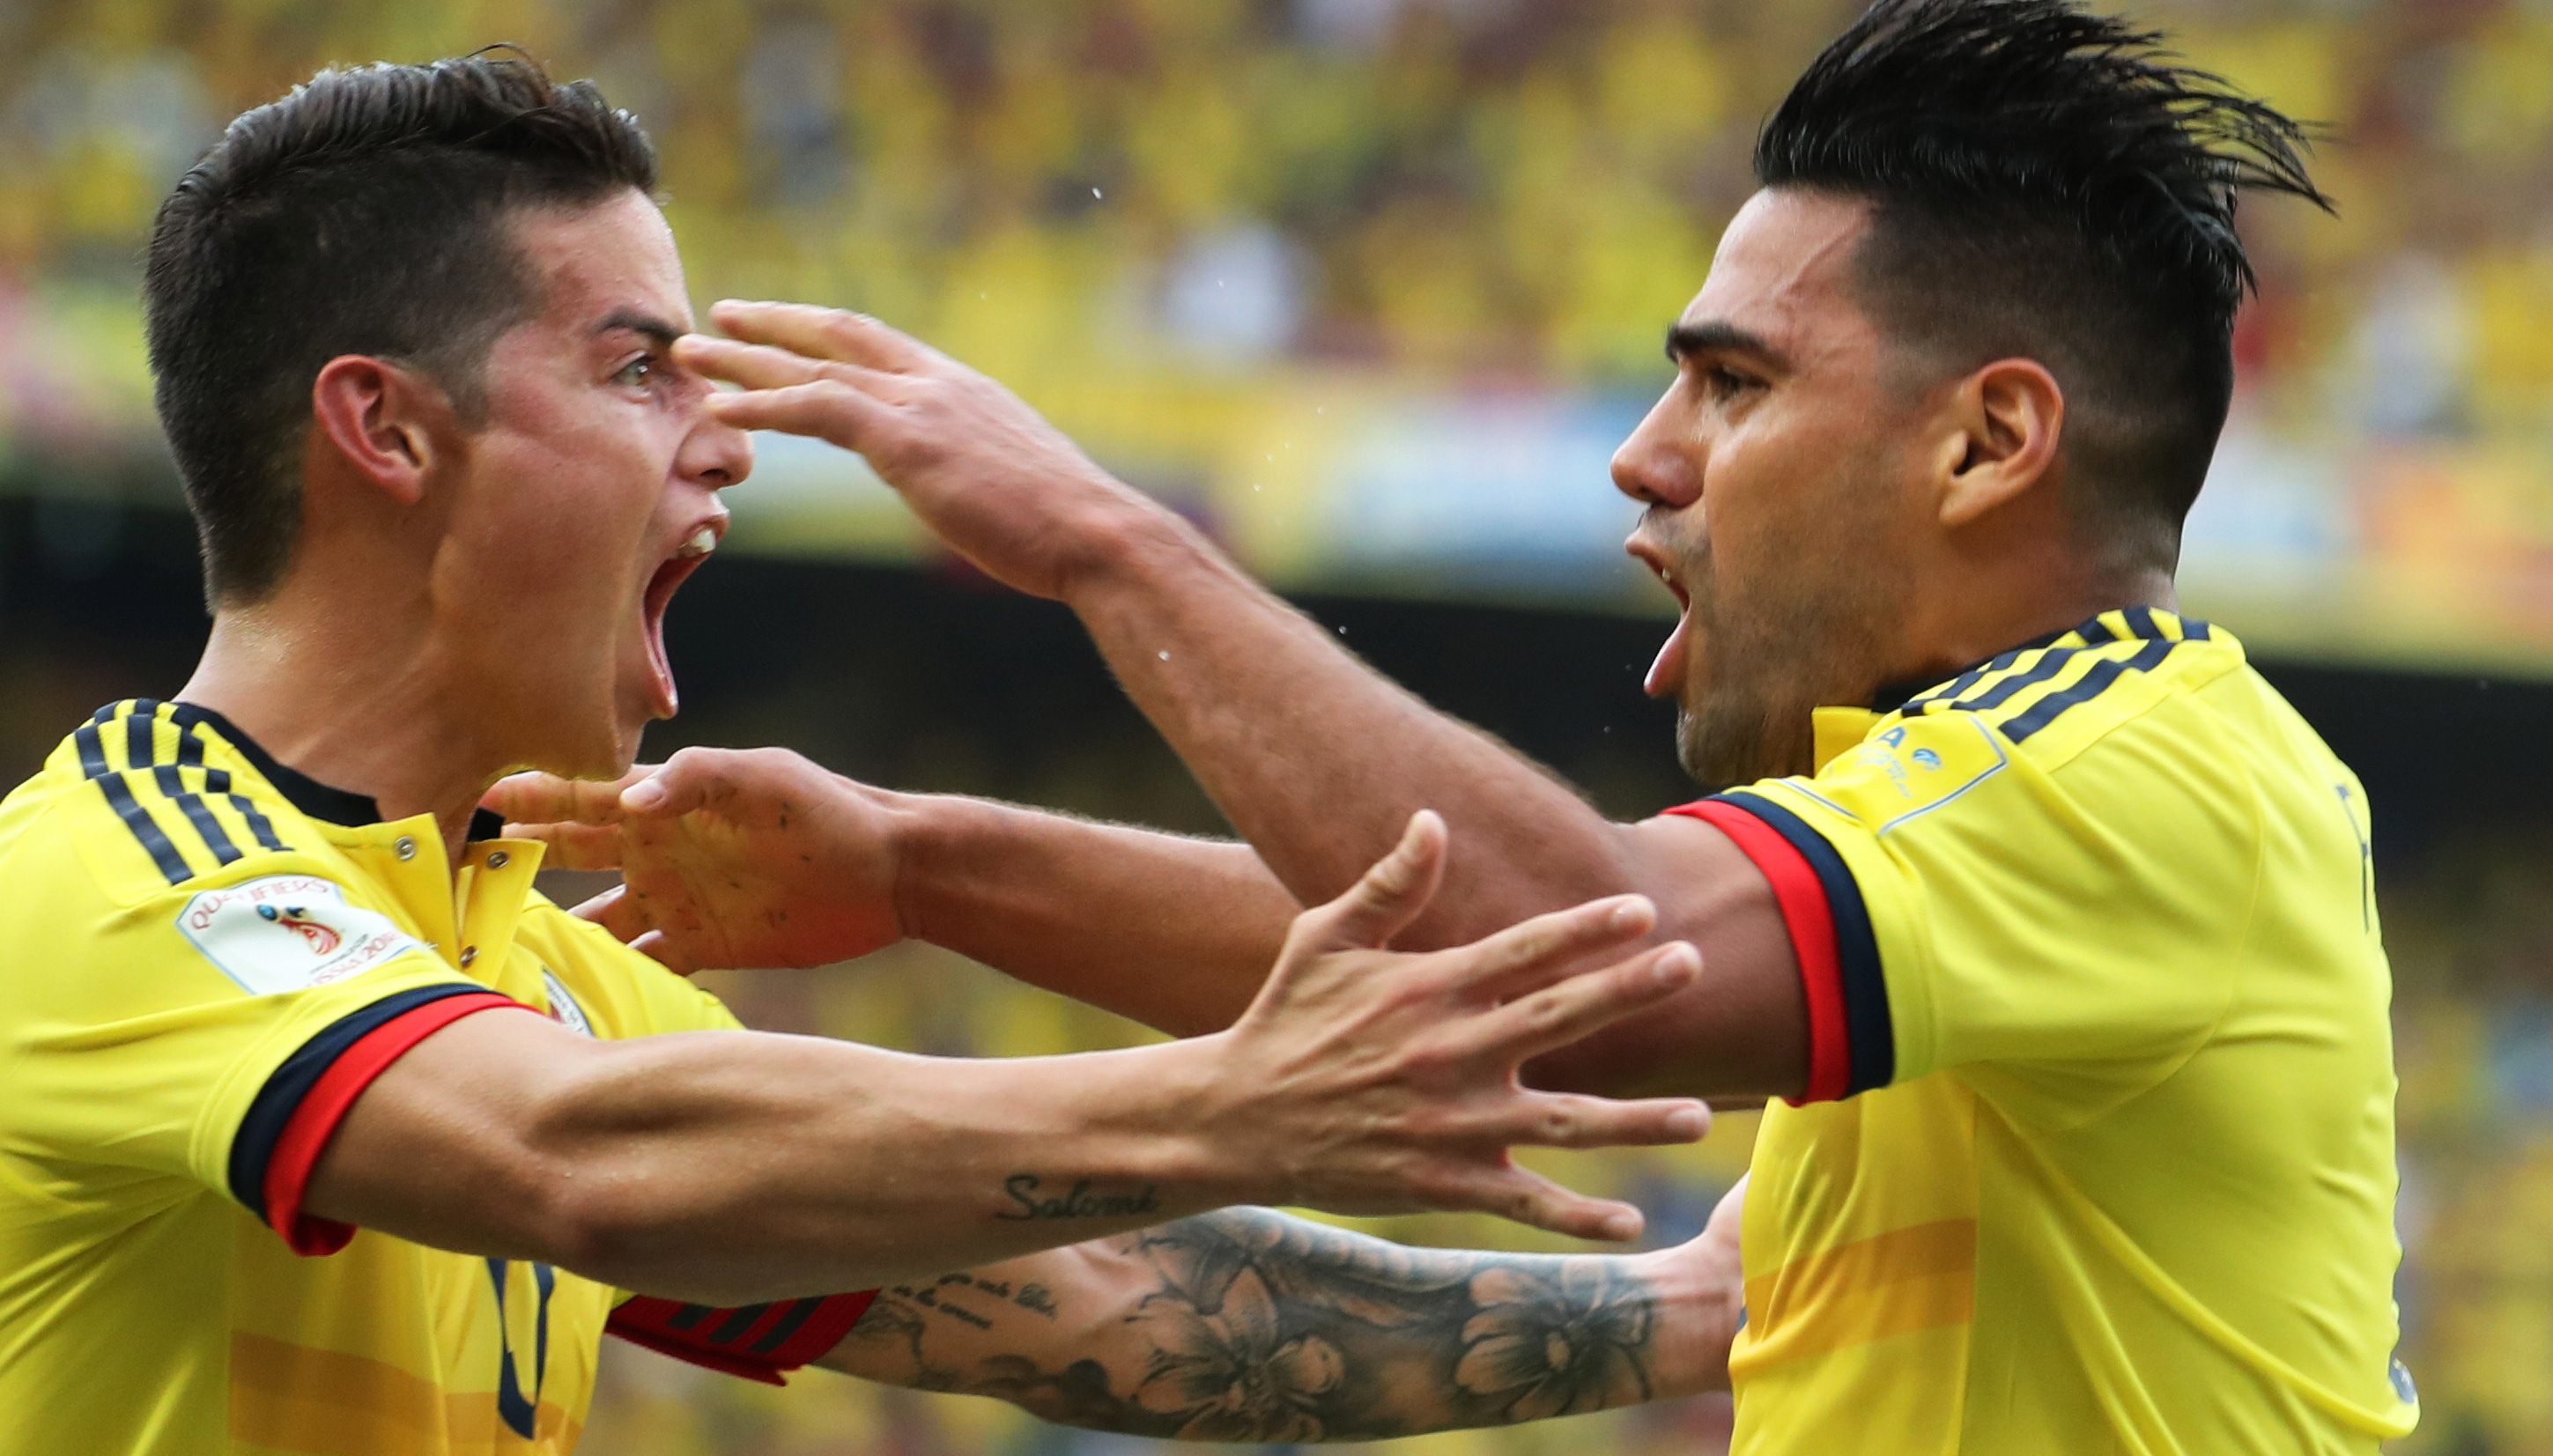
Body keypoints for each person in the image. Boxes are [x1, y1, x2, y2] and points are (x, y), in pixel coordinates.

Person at [496, 0, 2423, 1450]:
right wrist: (926, 863)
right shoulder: (1968, 819)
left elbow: (1601, 965)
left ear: (1989, 439)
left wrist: (1103, 540)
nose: (1645, 454)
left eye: (1734, 387)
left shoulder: (2138, 762)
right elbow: (1503, 963)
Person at [0, 55, 1756, 1456]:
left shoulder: (542, 974)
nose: (727, 447)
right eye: (639, 374)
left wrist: (1700, 1306)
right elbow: (569, 1153)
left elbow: (1121, 1303)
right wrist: (1221, 1098)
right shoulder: (105, 883)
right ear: (383, 425)